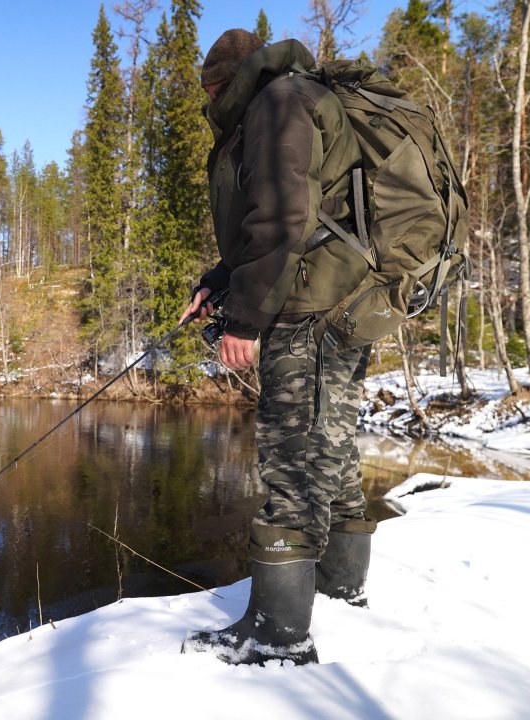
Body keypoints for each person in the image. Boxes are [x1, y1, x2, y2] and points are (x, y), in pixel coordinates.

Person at [179, 30, 378, 667]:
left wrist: (243, 320)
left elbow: (283, 221)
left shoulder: (276, 105)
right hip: (347, 301)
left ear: (226, 81)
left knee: (294, 454)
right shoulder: (302, 99)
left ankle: (277, 636)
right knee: (332, 441)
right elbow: (290, 218)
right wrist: (219, 282)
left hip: (311, 307)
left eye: (209, 88)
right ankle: (342, 589)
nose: (206, 100)